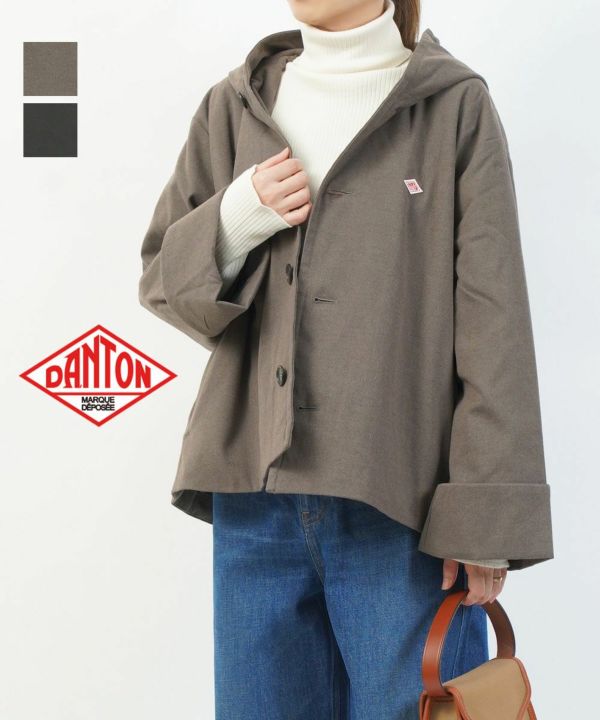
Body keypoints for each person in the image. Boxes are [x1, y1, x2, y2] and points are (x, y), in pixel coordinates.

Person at [138, 1, 554, 717]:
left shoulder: (454, 107)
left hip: (405, 510)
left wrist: (486, 520)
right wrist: (237, 216)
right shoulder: (233, 106)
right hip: (253, 505)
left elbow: (495, 324)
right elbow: (164, 284)